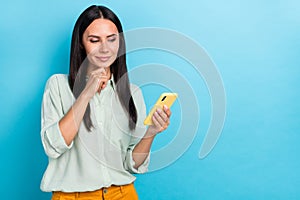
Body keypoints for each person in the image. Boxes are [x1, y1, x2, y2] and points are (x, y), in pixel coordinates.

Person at [40, 5, 172, 200]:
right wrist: (86, 93)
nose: (105, 48)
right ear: (81, 44)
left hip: (123, 193)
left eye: (112, 39)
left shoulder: (132, 93)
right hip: (73, 196)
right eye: (94, 40)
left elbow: (132, 165)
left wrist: (151, 132)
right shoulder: (58, 86)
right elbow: (53, 146)